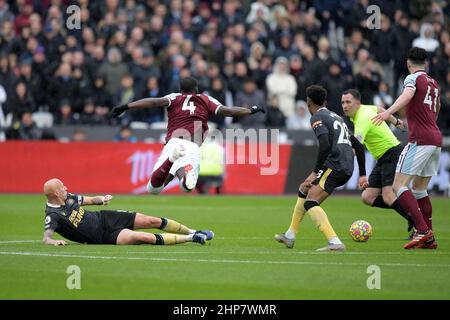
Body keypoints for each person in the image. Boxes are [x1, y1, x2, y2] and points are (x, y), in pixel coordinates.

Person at [110, 76, 264, 194]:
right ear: (196, 88)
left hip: (173, 143)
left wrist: (126, 106)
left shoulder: (174, 97)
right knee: (186, 188)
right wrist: (250, 110)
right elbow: (228, 111)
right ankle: (185, 173)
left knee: (153, 189)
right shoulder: (205, 99)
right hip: (192, 145)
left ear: (181, 89)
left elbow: (154, 102)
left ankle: (172, 161)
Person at [275, 85, 366, 252]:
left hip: (335, 165)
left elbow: (324, 144)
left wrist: (315, 172)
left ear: (309, 103)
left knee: (311, 202)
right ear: (324, 101)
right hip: (345, 165)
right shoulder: (337, 118)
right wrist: (362, 174)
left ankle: (334, 241)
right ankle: (290, 235)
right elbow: (359, 147)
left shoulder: (317, 117)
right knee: (304, 188)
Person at [373, 47, 441, 249]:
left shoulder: (412, 78)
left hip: (419, 139)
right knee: (420, 189)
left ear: (408, 63)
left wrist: (388, 113)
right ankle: (429, 238)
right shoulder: (433, 82)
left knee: (398, 185)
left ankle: (421, 230)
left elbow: (408, 95)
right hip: (435, 138)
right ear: (425, 64)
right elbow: (436, 108)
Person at [43, 178, 213, 246]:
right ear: (56, 193)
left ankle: (194, 230)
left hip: (106, 218)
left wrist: (101, 199)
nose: (66, 188)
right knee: (143, 237)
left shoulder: (68, 198)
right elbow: (46, 237)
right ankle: (192, 238)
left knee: (150, 220)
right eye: (62, 187)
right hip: (102, 237)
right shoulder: (53, 215)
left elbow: (89, 200)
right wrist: (54, 242)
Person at [341, 89, 415, 236]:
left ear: (357, 103)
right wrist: (396, 121)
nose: (344, 106)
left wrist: (338, 155)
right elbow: (380, 110)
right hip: (383, 158)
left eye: (348, 102)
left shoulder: (361, 120)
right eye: (343, 102)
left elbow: (356, 149)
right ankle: (409, 210)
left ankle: (415, 219)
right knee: (367, 197)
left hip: (392, 153)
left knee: (388, 196)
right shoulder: (366, 108)